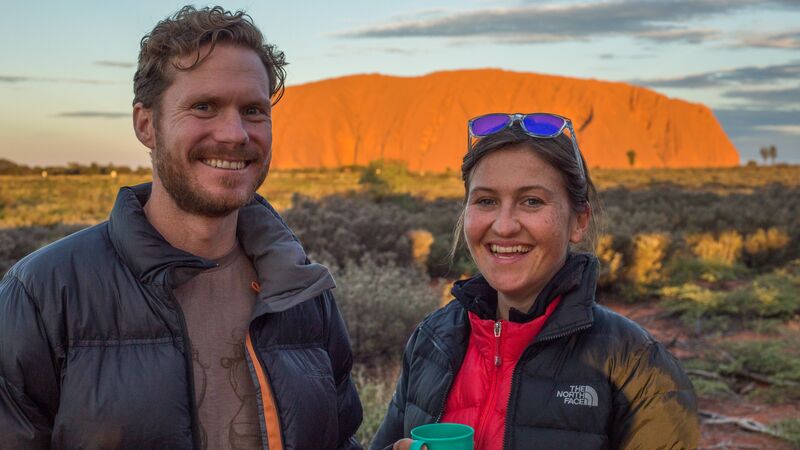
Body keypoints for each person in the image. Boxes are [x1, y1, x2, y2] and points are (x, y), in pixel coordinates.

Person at [0, 6, 362, 450]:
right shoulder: (44, 293)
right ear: (146, 124)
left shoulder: (301, 292)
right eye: (204, 107)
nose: (234, 134)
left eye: (253, 110)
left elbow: (339, 440)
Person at [370, 113, 698, 450]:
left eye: (532, 201)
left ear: (579, 221)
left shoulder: (637, 367)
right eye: (486, 201)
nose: (505, 225)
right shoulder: (432, 341)